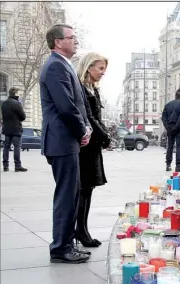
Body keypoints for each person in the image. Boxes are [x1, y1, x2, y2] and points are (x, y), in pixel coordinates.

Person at [40, 24, 92, 264]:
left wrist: (85, 128)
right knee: (66, 195)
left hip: (66, 140)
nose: (76, 41)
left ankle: (66, 243)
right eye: (72, 37)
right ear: (58, 42)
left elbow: (75, 105)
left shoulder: (62, 65)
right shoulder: (55, 67)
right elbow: (66, 106)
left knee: (71, 194)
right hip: (61, 140)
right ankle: (60, 248)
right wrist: (82, 130)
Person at [76, 52, 111, 247]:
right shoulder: (82, 88)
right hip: (86, 146)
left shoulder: (92, 89)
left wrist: (104, 136)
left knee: (87, 189)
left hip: (92, 144)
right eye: (100, 68)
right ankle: (80, 230)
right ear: (89, 67)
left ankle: (83, 229)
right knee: (83, 189)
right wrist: (105, 136)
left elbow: (96, 117)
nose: (103, 73)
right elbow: (89, 117)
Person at [1, 87, 27, 172]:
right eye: (18, 93)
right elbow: (23, 117)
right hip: (16, 129)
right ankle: (17, 166)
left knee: (6, 147)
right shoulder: (17, 103)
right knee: (17, 147)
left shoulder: (3, 104)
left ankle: (5, 166)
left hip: (6, 129)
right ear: (15, 94)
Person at [162, 88, 180, 172]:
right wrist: (176, 127)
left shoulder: (168, 105)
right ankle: (178, 165)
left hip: (170, 129)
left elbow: (164, 117)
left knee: (170, 146)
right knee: (179, 147)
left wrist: (168, 127)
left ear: (175, 95)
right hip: (179, 129)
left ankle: (168, 165)